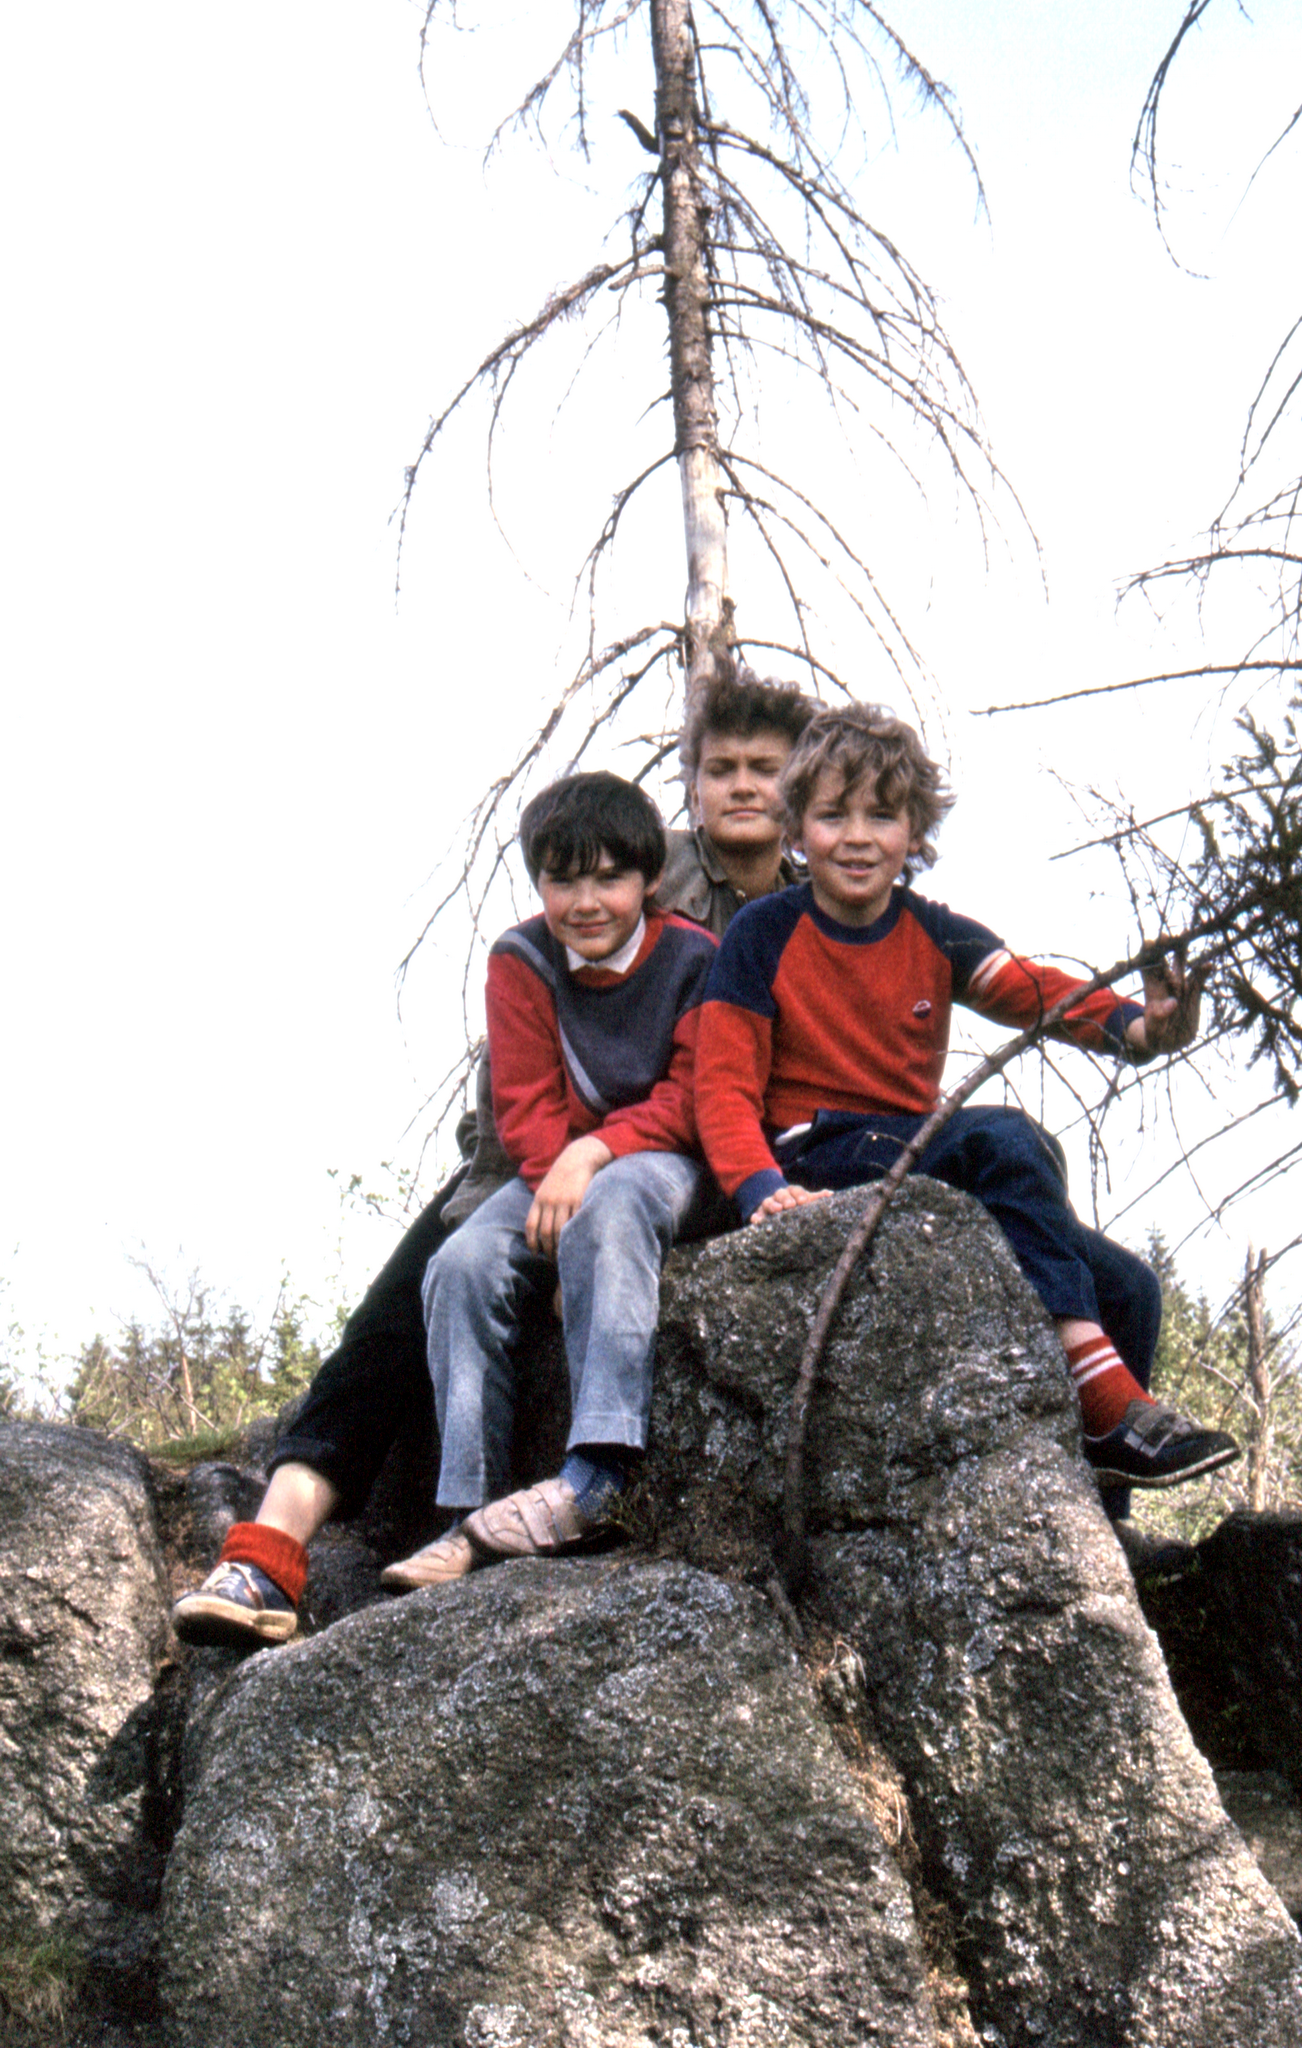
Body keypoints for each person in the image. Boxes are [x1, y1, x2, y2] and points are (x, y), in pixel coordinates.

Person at [169, 668, 817, 1647]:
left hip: (685, 1157)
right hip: (536, 1152)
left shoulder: (815, 902)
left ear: (802, 786)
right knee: (412, 1304)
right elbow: (525, 1072)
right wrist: (561, 1171)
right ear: (689, 784)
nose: (742, 787)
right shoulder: (636, 858)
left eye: (767, 769)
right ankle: (270, 1549)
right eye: (719, 768)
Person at [693, 702, 1240, 1493]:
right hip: (818, 1154)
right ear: (797, 829)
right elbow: (721, 1084)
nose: (857, 837)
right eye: (833, 815)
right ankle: (1100, 1395)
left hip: (913, 1151)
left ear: (914, 833)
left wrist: (1141, 1027)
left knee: (1131, 1287)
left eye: (882, 816)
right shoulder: (762, 934)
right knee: (1003, 1137)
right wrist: (758, 1187)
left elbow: (1037, 992)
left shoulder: (934, 932)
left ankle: (1110, 1507)